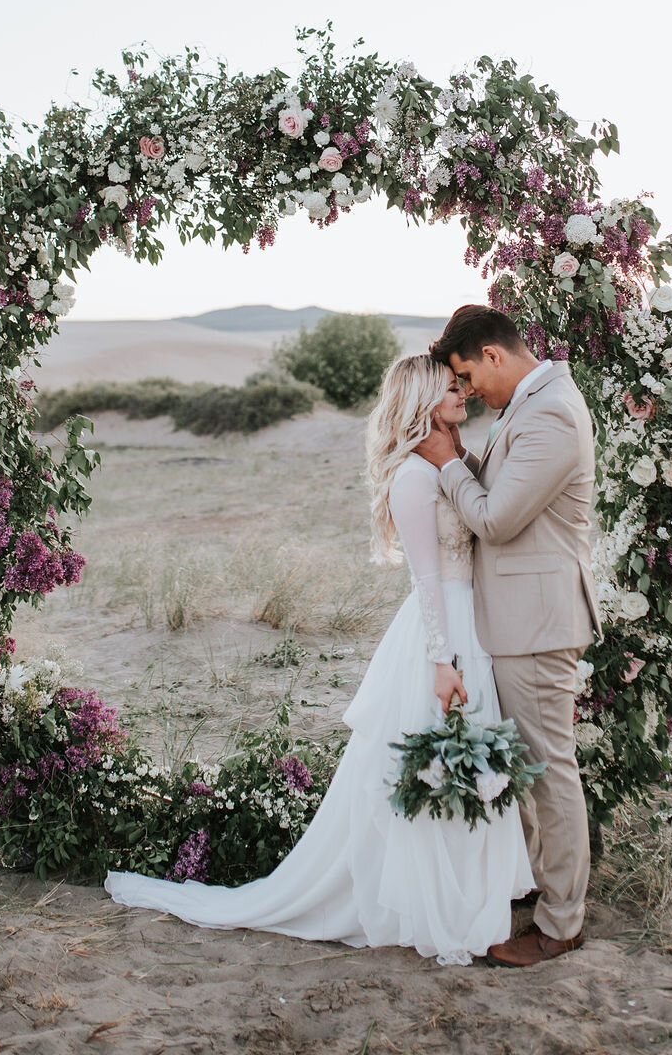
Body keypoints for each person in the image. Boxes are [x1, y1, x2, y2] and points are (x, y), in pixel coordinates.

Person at [104, 353, 532, 965]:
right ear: (420, 401)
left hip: (479, 625)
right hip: (443, 635)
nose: (462, 392)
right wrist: (444, 660)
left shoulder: (457, 461)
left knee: (470, 764)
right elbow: (426, 578)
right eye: (450, 387)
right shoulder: (414, 476)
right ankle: (435, 907)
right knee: (436, 767)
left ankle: (468, 900)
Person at [416, 305, 600, 968]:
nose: (467, 393)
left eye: (466, 376)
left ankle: (561, 923)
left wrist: (446, 465)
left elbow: (494, 518)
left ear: (493, 355)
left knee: (549, 773)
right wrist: (462, 456)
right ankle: (531, 892)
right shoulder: (530, 403)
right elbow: (499, 489)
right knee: (529, 771)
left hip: (540, 620)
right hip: (518, 618)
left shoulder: (549, 411)